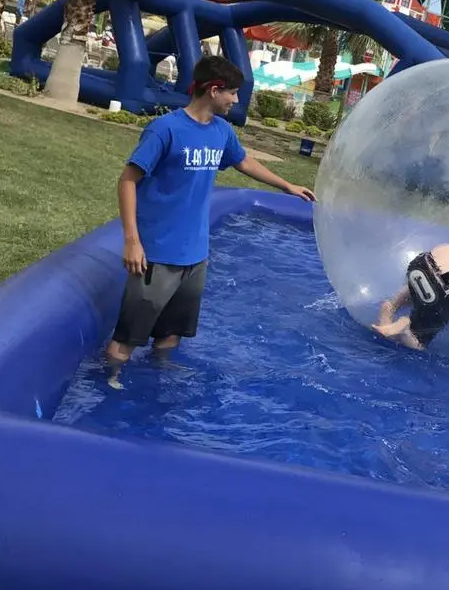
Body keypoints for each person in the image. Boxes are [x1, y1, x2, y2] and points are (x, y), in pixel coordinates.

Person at [106, 54, 315, 370]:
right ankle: (111, 382)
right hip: (158, 252)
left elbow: (243, 161)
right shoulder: (165, 129)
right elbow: (127, 181)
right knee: (128, 337)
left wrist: (286, 185)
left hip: (195, 254)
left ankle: (157, 381)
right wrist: (132, 241)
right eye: (232, 92)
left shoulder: (221, 131)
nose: (235, 100)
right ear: (214, 90)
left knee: (172, 334)